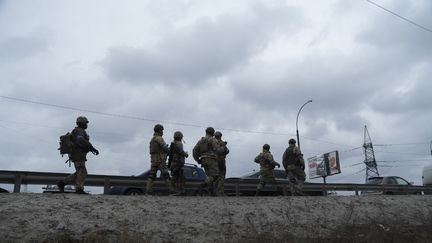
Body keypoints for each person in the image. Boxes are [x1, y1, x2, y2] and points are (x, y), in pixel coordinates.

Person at [57, 116, 99, 194]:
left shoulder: (79, 131)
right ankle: (79, 188)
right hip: (78, 154)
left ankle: (62, 183)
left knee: (81, 171)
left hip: (79, 154)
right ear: (82, 123)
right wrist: (92, 147)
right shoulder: (79, 131)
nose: (87, 125)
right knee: (81, 171)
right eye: (86, 123)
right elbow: (80, 139)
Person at [146, 124, 175, 195]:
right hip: (160, 160)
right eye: (162, 130)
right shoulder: (159, 138)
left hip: (153, 160)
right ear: (159, 130)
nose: (162, 132)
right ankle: (171, 190)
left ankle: (148, 190)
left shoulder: (152, 139)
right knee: (166, 175)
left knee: (152, 175)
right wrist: (169, 151)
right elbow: (164, 147)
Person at [193, 127, 221, 196]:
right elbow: (217, 149)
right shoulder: (212, 139)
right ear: (213, 133)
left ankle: (211, 192)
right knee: (214, 176)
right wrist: (223, 149)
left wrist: (198, 160)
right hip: (211, 159)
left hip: (203, 160)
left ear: (206, 132)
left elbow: (194, 150)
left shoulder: (201, 140)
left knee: (209, 176)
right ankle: (202, 186)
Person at [168, 131, 188, 196]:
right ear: (180, 137)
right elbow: (181, 151)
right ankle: (181, 191)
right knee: (181, 178)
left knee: (175, 177)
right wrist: (186, 154)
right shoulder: (179, 143)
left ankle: (174, 191)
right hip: (178, 163)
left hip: (173, 163)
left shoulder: (173, 144)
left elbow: (169, 153)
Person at [214, 131, 229, 196]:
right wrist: (224, 145)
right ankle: (220, 192)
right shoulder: (222, 143)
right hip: (221, 161)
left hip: (213, 162)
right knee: (222, 177)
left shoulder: (212, 142)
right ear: (220, 136)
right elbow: (227, 151)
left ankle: (214, 191)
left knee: (214, 177)